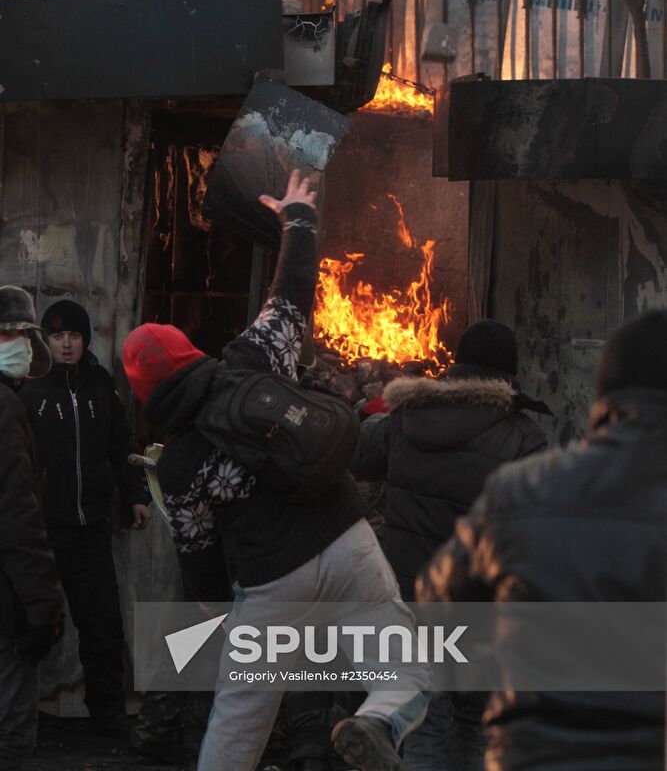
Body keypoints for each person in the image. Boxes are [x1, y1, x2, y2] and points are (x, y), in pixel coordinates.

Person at [122, 170, 428, 771]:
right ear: (188, 350)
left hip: (269, 581)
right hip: (345, 537)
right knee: (406, 661)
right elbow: (292, 293)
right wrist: (297, 217)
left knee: (238, 723)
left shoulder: (178, 465)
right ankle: (375, 721)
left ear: (145, 395)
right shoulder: (251, 358)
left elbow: (200, 564)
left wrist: (221, 618)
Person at [417, 309, 667, 770]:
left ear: (604, 392)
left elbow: (438, 596)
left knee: (431, 722)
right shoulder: (523, 445)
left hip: (529, 755)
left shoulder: (520, 488)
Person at [351, 319, 549, 771]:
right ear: (509, 374)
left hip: (410, 600)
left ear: (455, 366)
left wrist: (366, 412)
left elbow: (358, 456)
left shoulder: (406, 418)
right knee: (474, 723)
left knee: (427, 723)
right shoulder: (523, 437)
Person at [19, 299, 151, 733]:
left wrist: (134, 495)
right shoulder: (29, 389)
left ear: (84, 339)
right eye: (58, 337)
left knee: (102, 626)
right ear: (46, 341)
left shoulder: (101, 384)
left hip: (91, 529)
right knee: (31, 627)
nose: (67, 344)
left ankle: (109, 716)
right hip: (42, 532)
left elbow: (120, 445)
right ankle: (21, 720)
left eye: (74, 336)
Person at [0, 286, 63, 770]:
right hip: (5, 606)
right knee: (11, 734)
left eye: (22, 333)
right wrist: (43, 604)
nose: (17, 343)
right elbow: (18, 517)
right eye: (6, 333)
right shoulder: (5, 410)